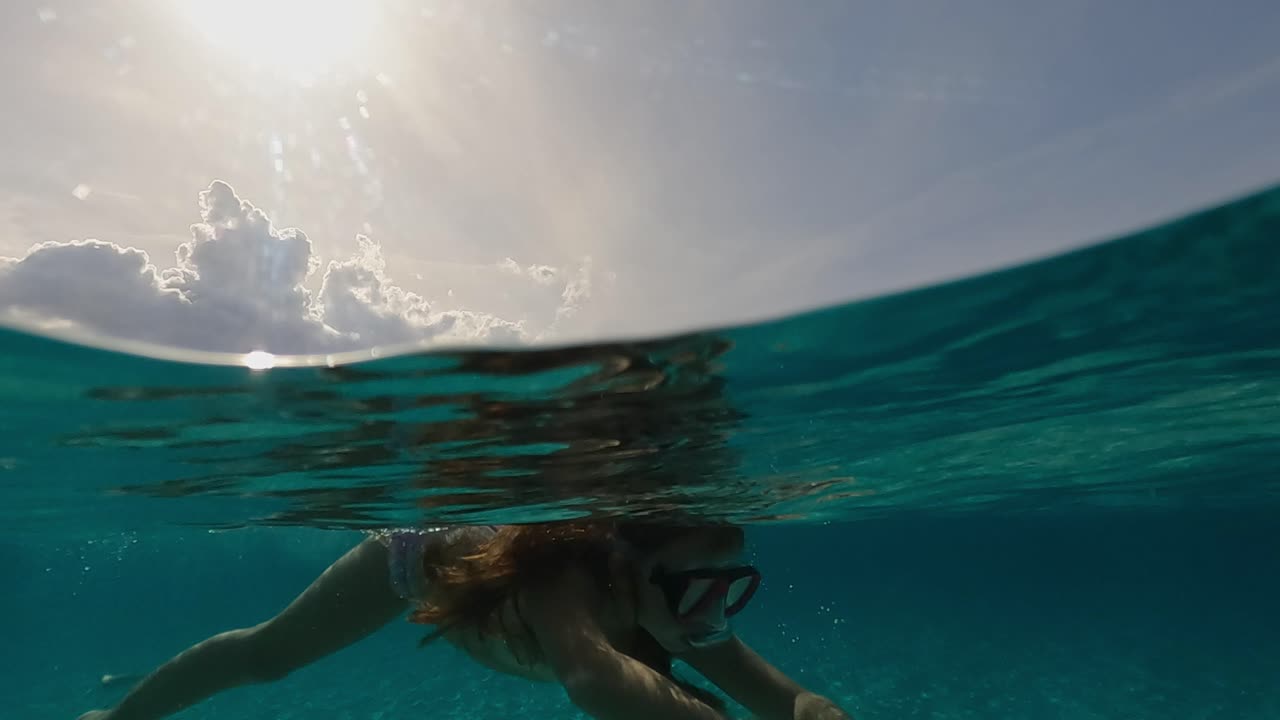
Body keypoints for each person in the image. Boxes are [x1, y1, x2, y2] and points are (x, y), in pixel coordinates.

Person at [77, 521, 853, 720]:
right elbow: (591, 680)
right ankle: (121, 712)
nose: (712, 614)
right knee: (269, 656)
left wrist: (812, 709)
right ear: (625, 565)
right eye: (695, 588)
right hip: (424, 560)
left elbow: (778, 696)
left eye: (730, 588)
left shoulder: (682, 600)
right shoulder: (566, 583)